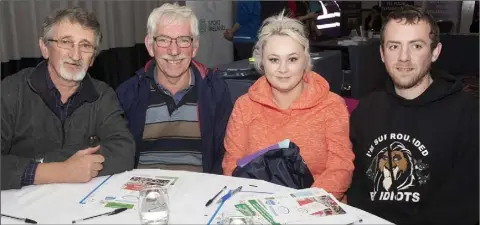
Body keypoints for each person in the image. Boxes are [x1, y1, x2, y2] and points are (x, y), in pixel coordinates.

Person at [348, 5, 479, 224]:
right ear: (382, 53)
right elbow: (356, 186)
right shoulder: (367, 110)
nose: (403, 58)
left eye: (416, 46)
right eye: (393, 46)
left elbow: (465, 205)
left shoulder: (468, 114)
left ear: (435, 52)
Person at [222, 11, 354, 201]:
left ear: (305, 62)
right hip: (259, 205)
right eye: (274, 60)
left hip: (318, 207)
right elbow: (231, 167)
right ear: (261, 63)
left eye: (292, 59)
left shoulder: (331, 105)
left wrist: (302, 204)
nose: (283, 69)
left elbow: (340, 169)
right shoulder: (244, 106)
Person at [1, 7, 135, 190]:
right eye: (66, 42)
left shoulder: (103, 95)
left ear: (93, 58)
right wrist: (59, 170)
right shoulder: (11, 92)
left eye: (85, 46)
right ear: (45, 48)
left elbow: (124, 152)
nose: (76, 55)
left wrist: (38, 164)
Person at [116, 3, 232, 174]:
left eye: (183, 40)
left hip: (197, 193)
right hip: (143, 193)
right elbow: (118, 158)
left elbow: (223, 157)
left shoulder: (216, 92)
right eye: (164, 40)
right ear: (150, 45)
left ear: (194, 47)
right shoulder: (128, 94)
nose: (174, 50)